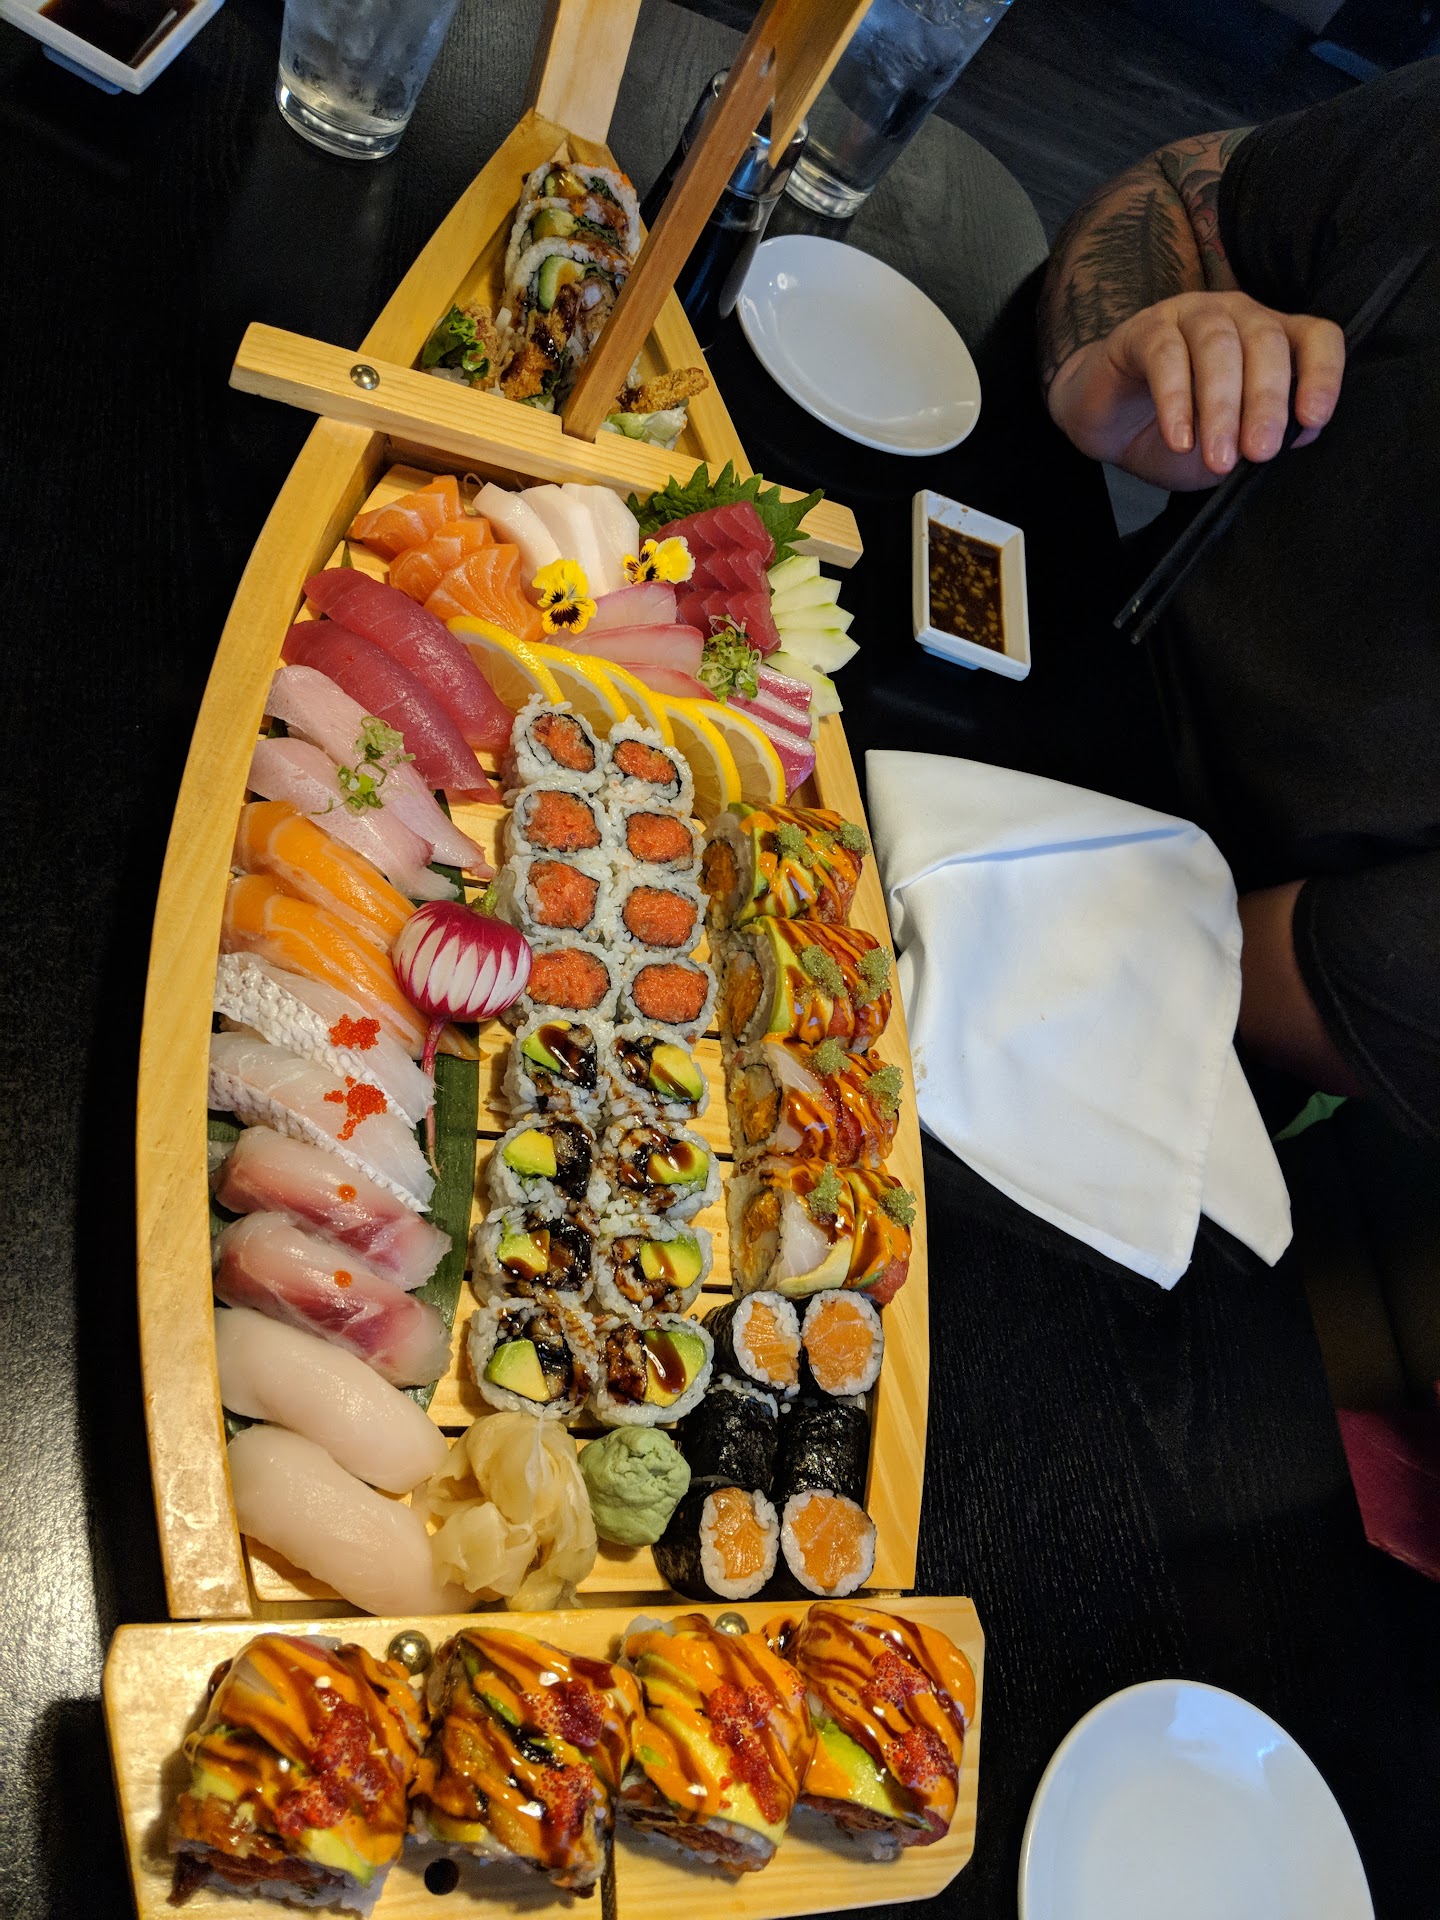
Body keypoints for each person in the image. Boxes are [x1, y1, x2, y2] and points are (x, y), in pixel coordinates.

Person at [1036, 58, 1440, 1141]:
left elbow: (1321, 977)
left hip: (1219, 987)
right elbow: (1183, 187)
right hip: (1079, 638)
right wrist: (1122, 357)